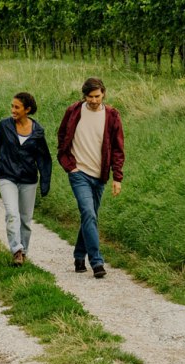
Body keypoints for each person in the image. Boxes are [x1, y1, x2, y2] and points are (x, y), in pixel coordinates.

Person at [56, 78, 125, 279]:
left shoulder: (112, 116)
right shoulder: (74, 111)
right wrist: (70, 166)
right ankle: (97, 262)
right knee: (88, 212)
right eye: (90, 96)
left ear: (103, 93)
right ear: (84, 96)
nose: (94, 100)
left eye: (97, 96)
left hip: (100, 175)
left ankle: (79, 256)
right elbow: (62, 138)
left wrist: (117, 177)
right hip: (79, 173)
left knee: (90, 216)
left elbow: (118, 149)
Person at [0, 92, 50, 265]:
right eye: (12, 106)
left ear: (27, 109)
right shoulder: (5, 125)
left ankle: (23, 252)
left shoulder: (37, 131)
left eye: (17, 107)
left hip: (28, 179)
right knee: (11, 213)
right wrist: (0, 168)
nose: (13, 110)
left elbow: (43, 158)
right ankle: (16, 249)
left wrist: (45, 182)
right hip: (7, 176)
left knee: (25, 218)